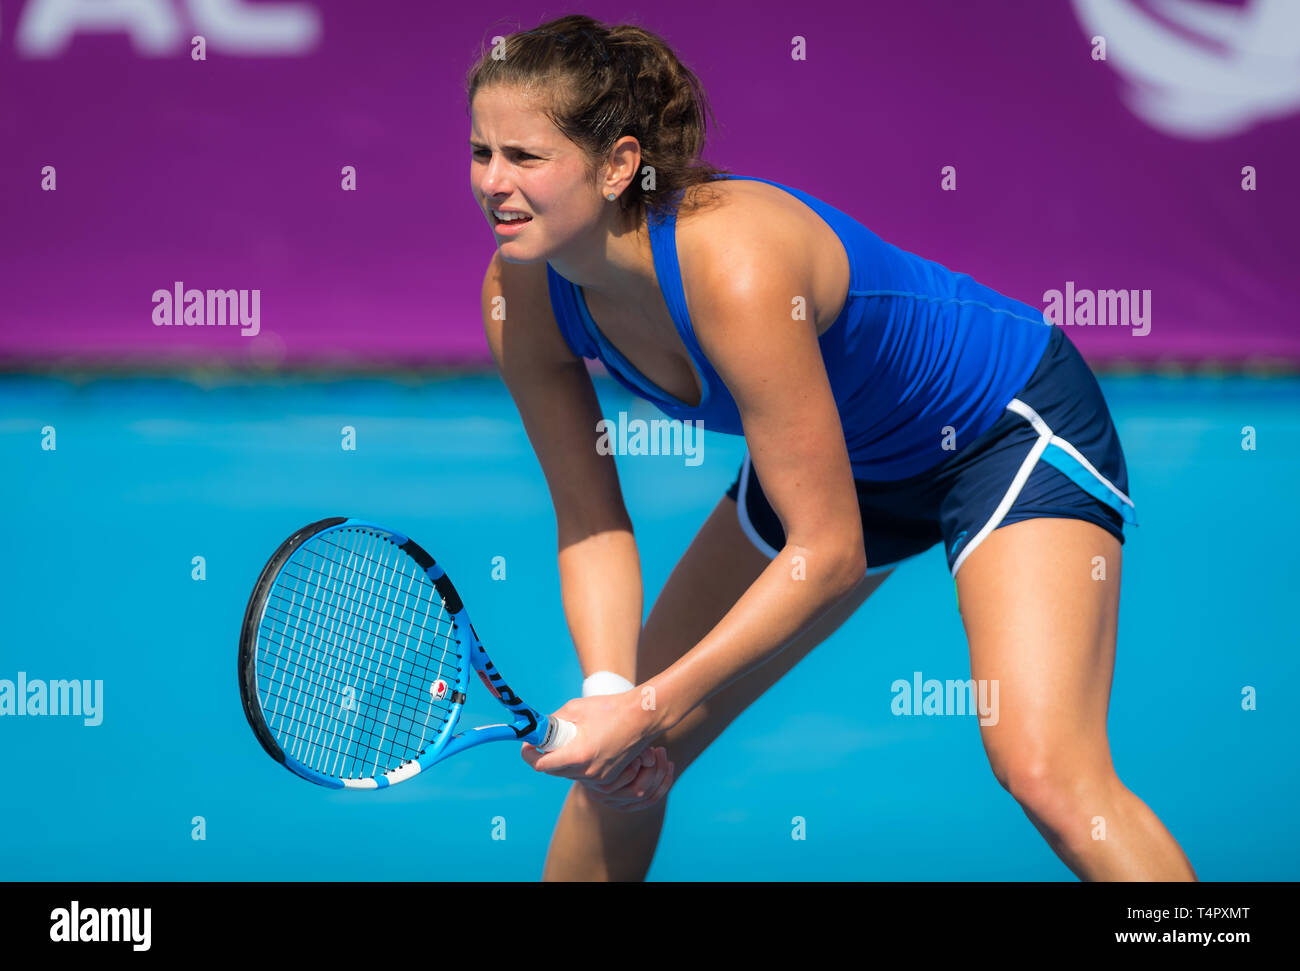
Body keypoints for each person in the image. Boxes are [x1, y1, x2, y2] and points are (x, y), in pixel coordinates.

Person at [468, 14, 1196, 881]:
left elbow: (829, 550)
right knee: (617, 776)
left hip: (1006, 433)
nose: (494, 184)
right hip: (838, 460)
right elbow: (590, 521)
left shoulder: (734, 266)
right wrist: (609, 698)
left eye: (526, 157)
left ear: (620, 164)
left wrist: (654, 702)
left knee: (1046, 774)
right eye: (481, 153)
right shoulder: (521, 296)